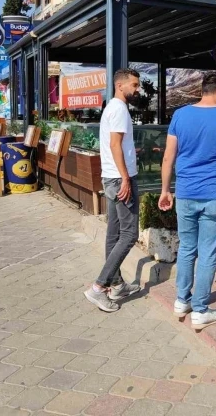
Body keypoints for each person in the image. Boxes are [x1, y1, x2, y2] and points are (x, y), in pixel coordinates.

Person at [159, 72, 216, 330]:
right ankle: (200, 309)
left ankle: (181, 300)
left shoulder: (180, 115)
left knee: (187, 248)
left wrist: (166, 189)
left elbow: (168, 157)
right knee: (208, 252)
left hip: (186, 191)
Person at [84, 69, 143, 313]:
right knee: (129, 234)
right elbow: (115, 144)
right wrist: (126, 177)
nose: (137, 89)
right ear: (121, 86)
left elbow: (116, 145)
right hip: (119, 179)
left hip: (111, 176)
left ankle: (116, 283)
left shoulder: (112, 108)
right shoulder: (119, 109)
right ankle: (99, 287)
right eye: (135, 85)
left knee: (114, 232)